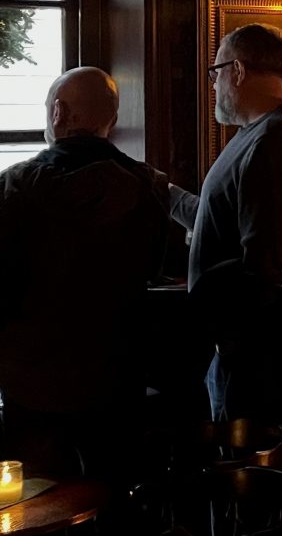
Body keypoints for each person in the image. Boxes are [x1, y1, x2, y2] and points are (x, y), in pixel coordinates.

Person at [0, 67, 170, 478]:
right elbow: (153, 270)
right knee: (115, 505)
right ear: (109, 120)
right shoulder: (150, 187)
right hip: (117, 378)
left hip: (32, 382)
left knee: (35, 506)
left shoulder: (14, 188)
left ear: (59, 113)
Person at [168, 24, 282, 429]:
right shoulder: (259, 133)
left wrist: (227, 343)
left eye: (216, 73)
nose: (214, 85)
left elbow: (264, 271)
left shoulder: (278, 140)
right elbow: (218, 222)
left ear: (238, 71)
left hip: (264, 354)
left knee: (258, 473)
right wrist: (163, 193)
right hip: (247, 343)